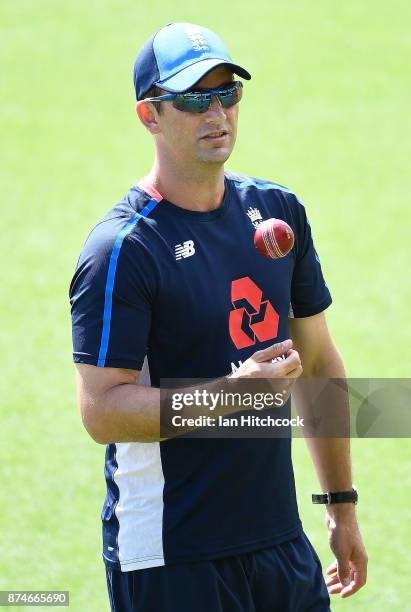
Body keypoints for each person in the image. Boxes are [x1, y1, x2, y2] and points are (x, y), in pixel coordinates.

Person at [70, 22, 368, 612]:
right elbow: (102, 410)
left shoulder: (278, 212)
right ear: (149, 116)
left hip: (281, 544)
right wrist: (236, 392)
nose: (217, 113)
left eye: (227, 93)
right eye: (192, 99)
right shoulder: (123, 250)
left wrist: (340, 504)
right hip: (173, 555)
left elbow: (319, 363)